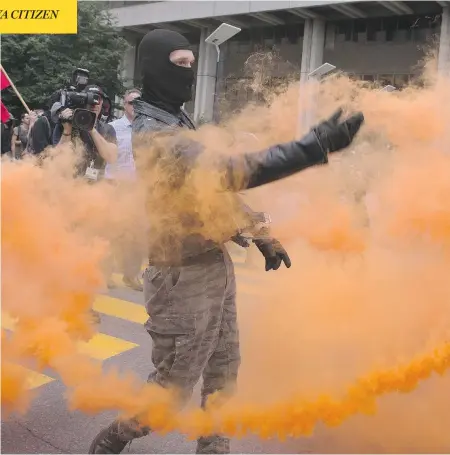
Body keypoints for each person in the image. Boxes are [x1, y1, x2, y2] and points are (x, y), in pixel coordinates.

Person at [88, 29, 364, 454]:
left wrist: (261, 233)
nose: (190, 72)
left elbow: (212, 195)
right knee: (173, 387)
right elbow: (227, 172)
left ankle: (214, 447)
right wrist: (312, 147)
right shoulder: (155, 132)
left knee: (224, 373)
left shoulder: (176, 119)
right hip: (180, 276)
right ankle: (113, 439)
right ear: (155, 68)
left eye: (191, 63)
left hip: (213, 264)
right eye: (179, 64)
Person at [105, 88, 144, 291]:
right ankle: (106, 273)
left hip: (137, 189)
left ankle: (131, 275)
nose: (134, 107)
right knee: (112, 232)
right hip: (116, 186)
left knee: (137, 235)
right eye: (130, 103)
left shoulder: (148, 129)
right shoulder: (113, 128)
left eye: (138, 103)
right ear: (124, 104)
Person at [55, 85, 118, 180]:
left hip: (96, 187)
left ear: (102, 104)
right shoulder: (66, 124)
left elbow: (111, 157)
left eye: (98, 100)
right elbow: (57, 158)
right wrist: (67, 130)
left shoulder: (107, 128)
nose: (94, 104)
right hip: (70, 185)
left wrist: (91, 127)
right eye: (90, 99)